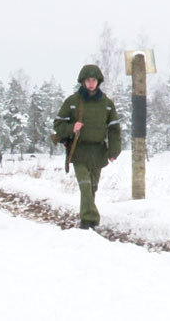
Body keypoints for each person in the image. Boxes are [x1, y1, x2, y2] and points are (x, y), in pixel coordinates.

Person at [53, 65, 121, 229]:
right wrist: (72, 128)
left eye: (94, 80)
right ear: (83, 82)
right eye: (88, 80)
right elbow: (58, 124)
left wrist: (114, 151)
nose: (91, 83)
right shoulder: (72, 101)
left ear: (98, 82)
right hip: (79, 151)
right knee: (84, 185)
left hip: (98, 151)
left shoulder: (107, 104)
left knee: (92, 187)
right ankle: (89, 220)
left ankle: (88, 217)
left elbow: (114, 129)